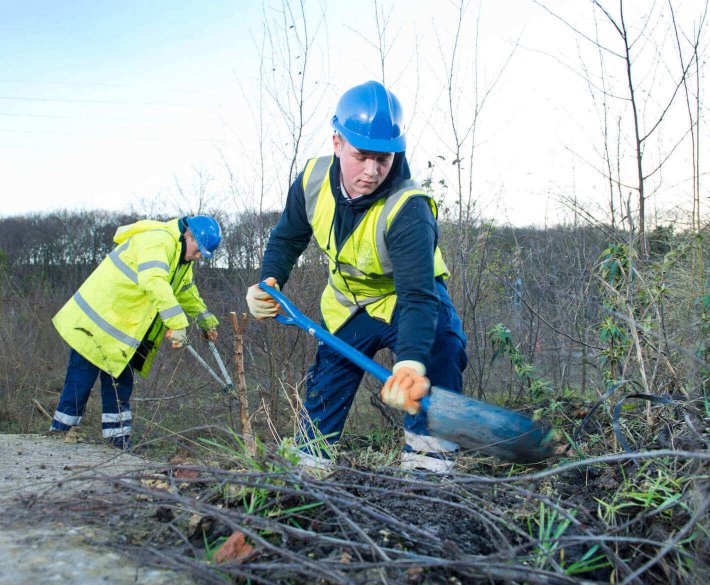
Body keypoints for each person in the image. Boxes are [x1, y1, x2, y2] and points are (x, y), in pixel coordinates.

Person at [246, 80, 468, 473]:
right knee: (329, 377)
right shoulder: (313, 180)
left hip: (409, 301)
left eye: (383, 159)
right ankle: (308, 466)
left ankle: (429, 465)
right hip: (352, 304)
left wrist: (411, 364)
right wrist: (270, 281)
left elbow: (418, 296)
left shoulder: (409, 207)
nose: (371, 171)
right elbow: (286, 238)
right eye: (361, 156)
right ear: (337, 142)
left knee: (439, 348)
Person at [49, 215, 222, 449]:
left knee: (120, 384)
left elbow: (186, 291)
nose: (199, 257)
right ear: (187, 235)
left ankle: (117, 444)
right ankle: (59, 436)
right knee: (79, 381)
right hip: (97, 322)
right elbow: (154, 280)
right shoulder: (158, 240)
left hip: (122, 329)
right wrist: (177, 322)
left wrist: (205, 320)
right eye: (199, 250)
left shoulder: (182, 258)